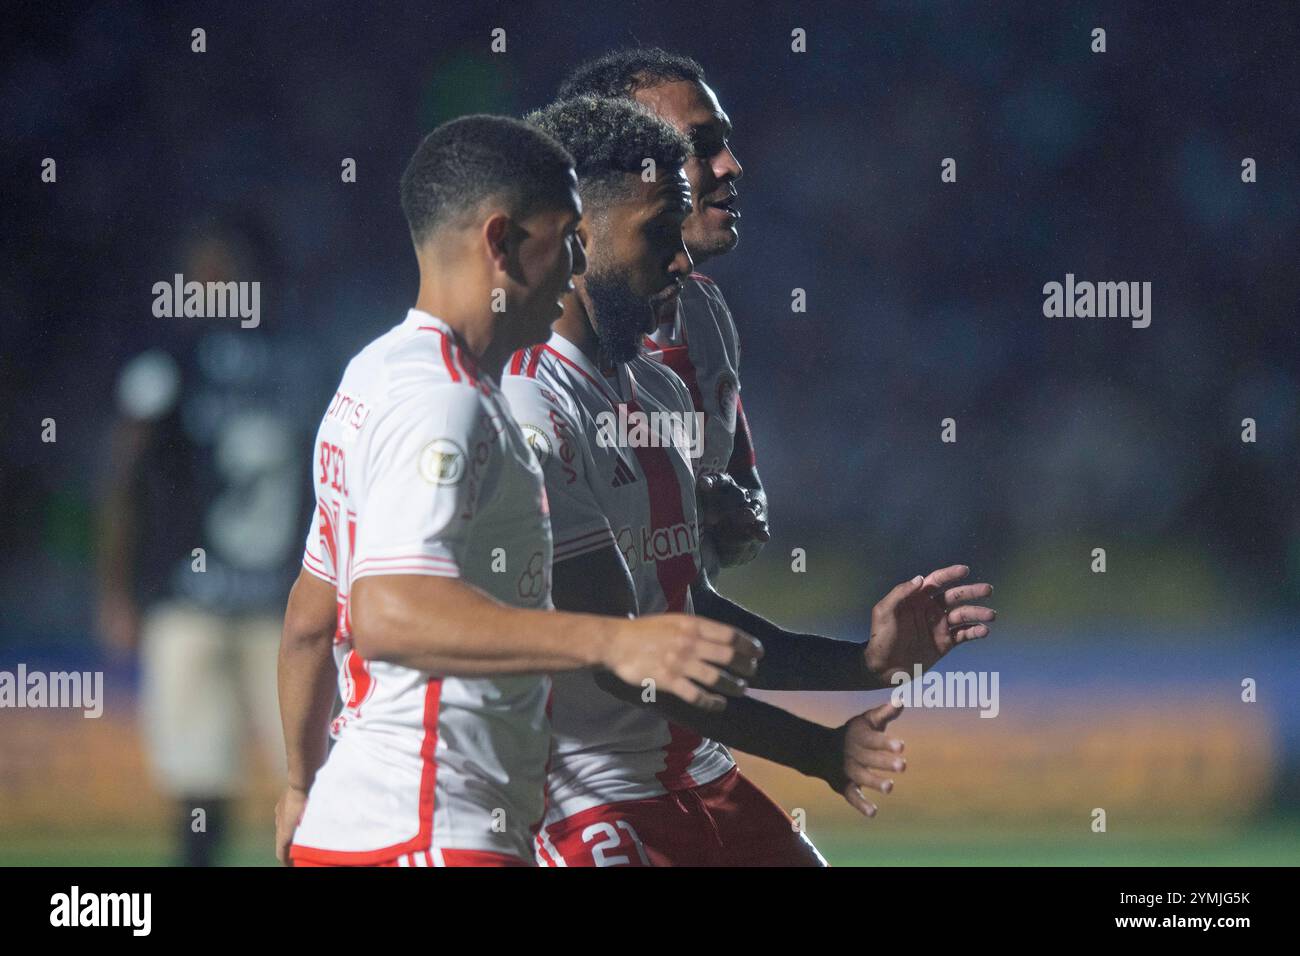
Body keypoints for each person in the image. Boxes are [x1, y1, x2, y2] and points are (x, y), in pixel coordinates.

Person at [507, 96, 996, 866]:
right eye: (660, 234)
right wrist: (816, 751)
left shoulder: (659, 393)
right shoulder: (528, 404)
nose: (681, 258)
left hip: (694, 773)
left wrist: (861, 665)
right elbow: (623, 656)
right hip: (572, 798)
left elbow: (684, 611)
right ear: (577, 236)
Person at [275, 115, 761, 868]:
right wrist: (614, 637)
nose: (576, 267)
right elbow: (383, 611)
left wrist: (302, 788)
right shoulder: (448, 403)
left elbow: (312, 618)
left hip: (366, 824)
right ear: (501, 245)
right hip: (433, 830)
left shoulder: (371, 378)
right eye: (566, 238)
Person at [560, 49, 768, 574]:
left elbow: (743, 489)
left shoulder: (705, 311)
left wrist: (733, 517)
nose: (731, 165)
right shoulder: (547, 352)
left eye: (725, 141)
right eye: (701, 146)